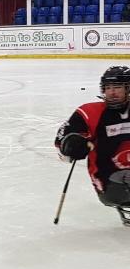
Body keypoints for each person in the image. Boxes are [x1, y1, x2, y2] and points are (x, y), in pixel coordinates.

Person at [55, 66, 130, 226]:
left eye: (117, 87)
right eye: (107, 88)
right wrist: (70, 146)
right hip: (109, 179)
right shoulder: (90, 113)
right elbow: (61, 144)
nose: (111, 92)